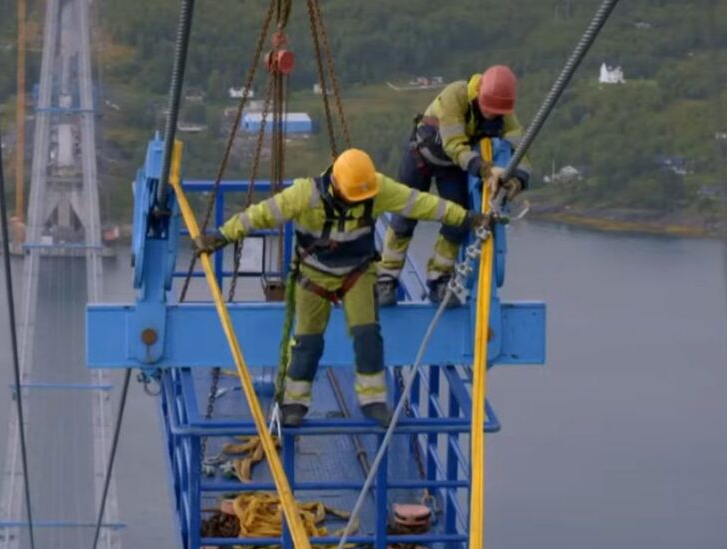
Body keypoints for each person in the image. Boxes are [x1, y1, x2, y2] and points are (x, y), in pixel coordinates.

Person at [195, 148, 490, 427]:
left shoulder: (375, 188)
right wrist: (221, 236)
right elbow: (259, 214)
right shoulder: (305, 195)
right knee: (307, 340)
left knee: (367, 335)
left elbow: (423, 204)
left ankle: (373, 401)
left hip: (357, 272)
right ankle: (294, 404)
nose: (356, 204)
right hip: (314, 275)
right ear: (336, 185)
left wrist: (465, 217)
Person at [377, 65, 532, 307]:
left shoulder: (504, 113)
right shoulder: (456, 96)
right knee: (404, 217)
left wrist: (517, 179)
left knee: (457, 221)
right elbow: (454, 146)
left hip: (452, 167)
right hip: (422, 157)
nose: (491, 117)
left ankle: (439, 280)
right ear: (479, 93)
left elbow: (521, 152)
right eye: (487, 110)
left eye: (496, 113)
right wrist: (487, 170)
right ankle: (386, 279)